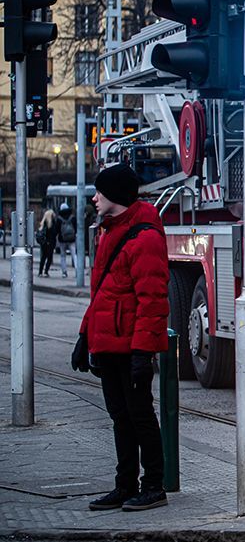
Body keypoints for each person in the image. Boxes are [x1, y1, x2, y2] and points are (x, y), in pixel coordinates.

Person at [69, 163, 170, 511]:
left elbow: (153, 301)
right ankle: (125, 485)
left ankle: (153, 485)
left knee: (140, 415)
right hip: (109, 344)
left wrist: (144, 352)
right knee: (120, 417)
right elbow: (101, 294)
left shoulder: (145, 238)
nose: (94, 198)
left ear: (115, 195)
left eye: (100, 191)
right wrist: (85, 336)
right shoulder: (109, 232)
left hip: (130, 346)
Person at [57, 202, 77, 278]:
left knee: (63, 256)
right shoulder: (72, 217)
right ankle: (77, 270)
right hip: (72, 239)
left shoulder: (59, 218)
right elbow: (76, 228)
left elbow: (57, 229)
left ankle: (64, 272)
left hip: (62, 240)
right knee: (74, 255)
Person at [37, 207, 59, 277]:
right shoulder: (51, 224)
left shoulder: (43, 223)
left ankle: (40, 272)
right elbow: (54, 233)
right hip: (50, 242)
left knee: (43, 257)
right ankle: (46, 271)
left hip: (44, 243)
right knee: (49, 257)